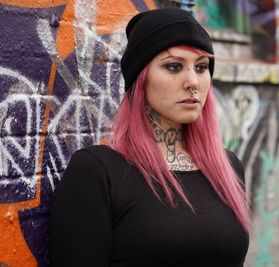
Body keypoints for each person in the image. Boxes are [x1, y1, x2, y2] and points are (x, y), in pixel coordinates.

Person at [49, 8, 251, 267]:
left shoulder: (227, 167)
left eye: (201, 68)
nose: (193, 81)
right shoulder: (98, 172)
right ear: (140, 79)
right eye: (174, 67)